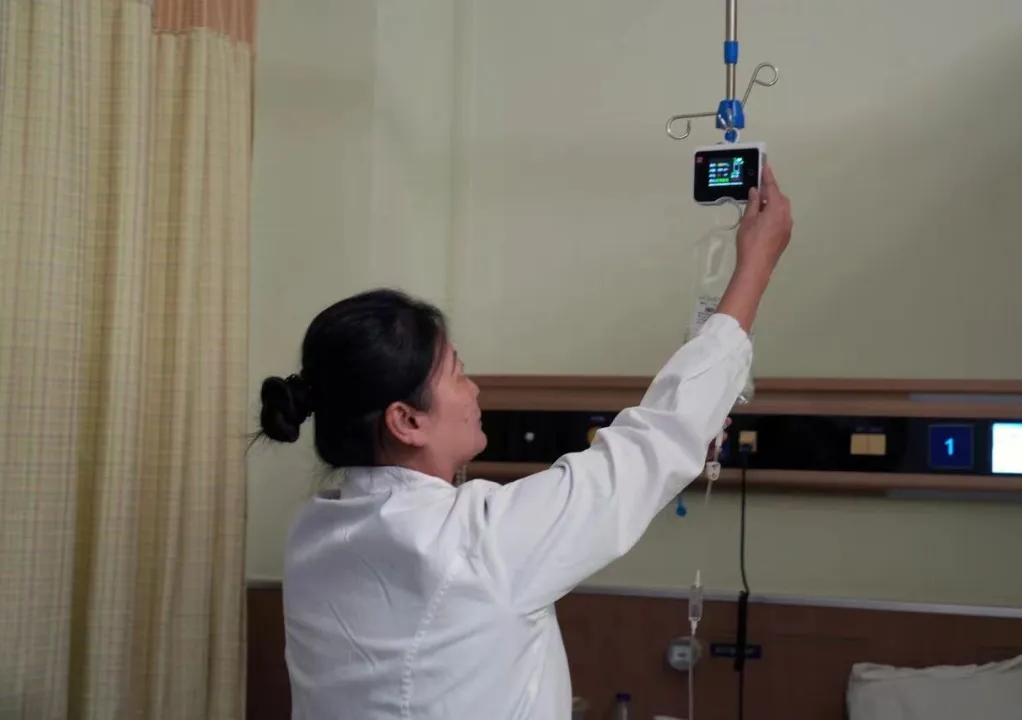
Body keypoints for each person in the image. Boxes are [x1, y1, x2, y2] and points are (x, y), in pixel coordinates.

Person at [259, 166, 793, 719]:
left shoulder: (312, 536)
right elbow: (654, 445)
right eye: (458, 373)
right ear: (407, 421)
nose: (474, 390)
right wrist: (755, 267)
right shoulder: (477, 543)